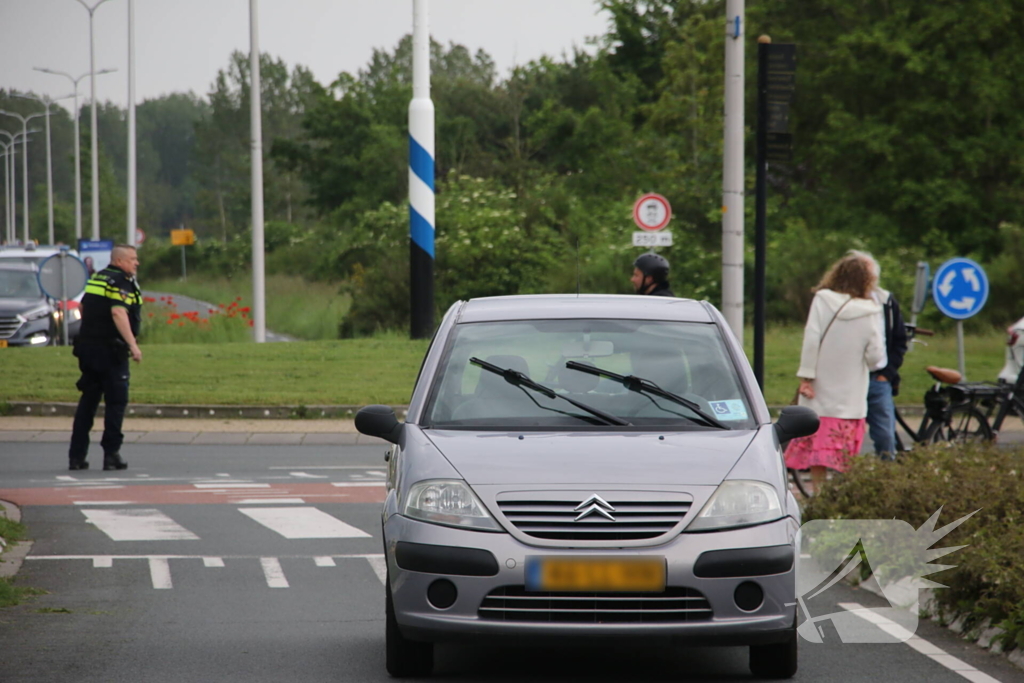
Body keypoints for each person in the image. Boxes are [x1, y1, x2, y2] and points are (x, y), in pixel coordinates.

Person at [784, 254, 885, 493]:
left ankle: (818, 494)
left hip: (820, 391)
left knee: (818, 451)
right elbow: (875, 357)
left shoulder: (822, 299)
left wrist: (806, 377)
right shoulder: (871, 311)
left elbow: (811, 339)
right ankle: (841, 498)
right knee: (845, 455)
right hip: (850, 397)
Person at [68, 244, 143, 471]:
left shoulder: (98, 278)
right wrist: (133, 345)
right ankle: (112, 455)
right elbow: (118, 312)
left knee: (88, 402)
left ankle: (76, 456)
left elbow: (82, 306)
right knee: (116, 402)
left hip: (88, 350)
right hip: (111, 352)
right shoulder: (121, 281)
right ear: (119, 261)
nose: (136, 263)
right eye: (132, 259)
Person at [850, 251, 908, 460]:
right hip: (848, 378)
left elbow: (899, 341)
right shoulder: (840, 303)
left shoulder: (886, 302)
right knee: (844, 434)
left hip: (877, 377)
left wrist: (888, 373)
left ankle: (886, 477)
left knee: (885, 433)